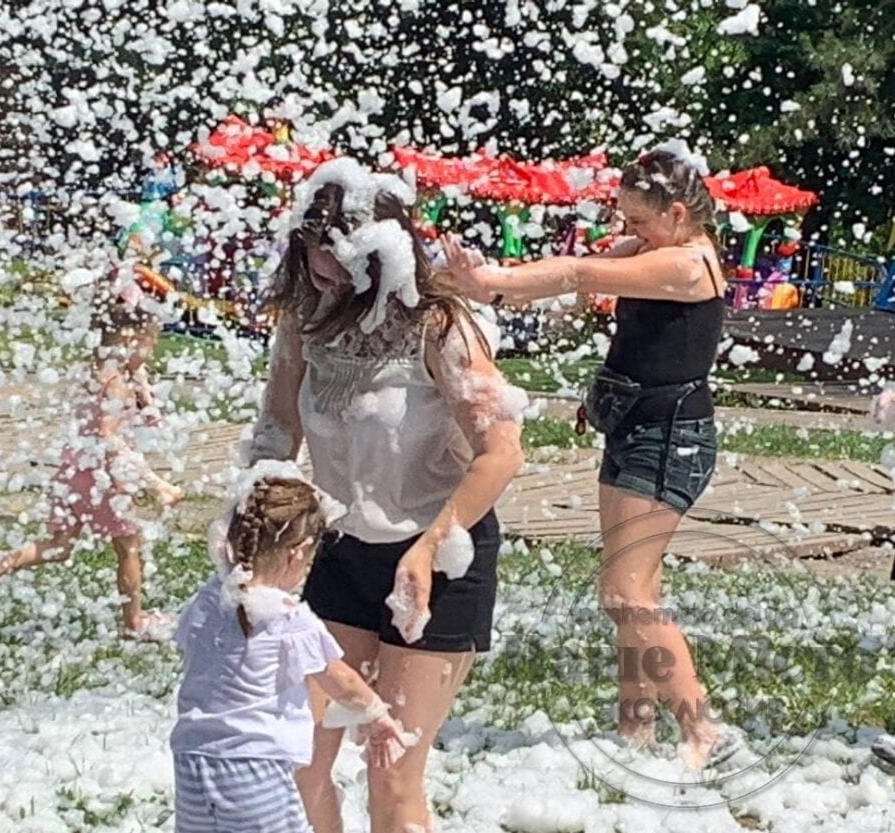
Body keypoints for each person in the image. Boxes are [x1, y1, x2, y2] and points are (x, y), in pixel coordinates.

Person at [246, 157, 525, 832]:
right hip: (341, 553)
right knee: (300, 759)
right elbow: (276, 433)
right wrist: (250, 545)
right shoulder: (304, 321)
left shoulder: (438, 327)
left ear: (382, 252)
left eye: (336, 253)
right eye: (311, 248)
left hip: (439, 559)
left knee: (391, 770)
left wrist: (432, 544)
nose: (321, 266)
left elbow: (503, 451)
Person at [442, 147, 737, 768]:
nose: (627, 234)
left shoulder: (687, 265)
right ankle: (636, 726)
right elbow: (568, 276)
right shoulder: (656, 250)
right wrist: (488, 286)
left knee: (624, 591)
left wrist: (489, 283)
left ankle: (703, 728)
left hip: (670, 438)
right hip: (637, 428)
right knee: (637, 587)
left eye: (637, 222)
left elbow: (577, 273)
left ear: (678, 213)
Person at [172, 471, 405, 833]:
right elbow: (340, 681)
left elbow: (189, 646)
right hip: (257, 770)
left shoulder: (208, 599)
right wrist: (377, 714)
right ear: (298, 554)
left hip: (192, 765)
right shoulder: (287, 618)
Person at [0, 270, 183, 639]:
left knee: (59, 547)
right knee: (129, 548)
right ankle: (135, 623)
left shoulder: (100, 367)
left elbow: (127, 379)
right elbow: (109, 441)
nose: (151, 352)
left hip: (71, 471)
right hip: (102, 477)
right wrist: (156, 483)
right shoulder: (116, 385)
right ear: (131, 339)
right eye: (150, 343)